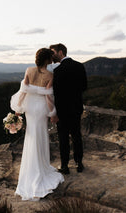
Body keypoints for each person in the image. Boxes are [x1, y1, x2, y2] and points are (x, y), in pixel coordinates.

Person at [10, 48, 64, 201]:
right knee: (41, 135)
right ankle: (41, 166)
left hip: (30, 108)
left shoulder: (29, 70)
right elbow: (48, 97)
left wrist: (18, 110)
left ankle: (30, 169)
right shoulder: (50, 75)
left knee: (31, 135)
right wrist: (53, 114)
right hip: (40, 108)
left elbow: (23, 91)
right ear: (48, 60)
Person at [50, 43, 87, 174]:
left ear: (61, 52)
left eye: (53, 52)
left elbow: (55, 92)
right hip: (76, 107)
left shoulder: (57, 71)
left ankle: (64, 165)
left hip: (62, 110)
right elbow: (84, 87)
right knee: (77, 135)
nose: (52, 55)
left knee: (63, 138)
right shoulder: (79, 66)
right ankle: (79, 163)